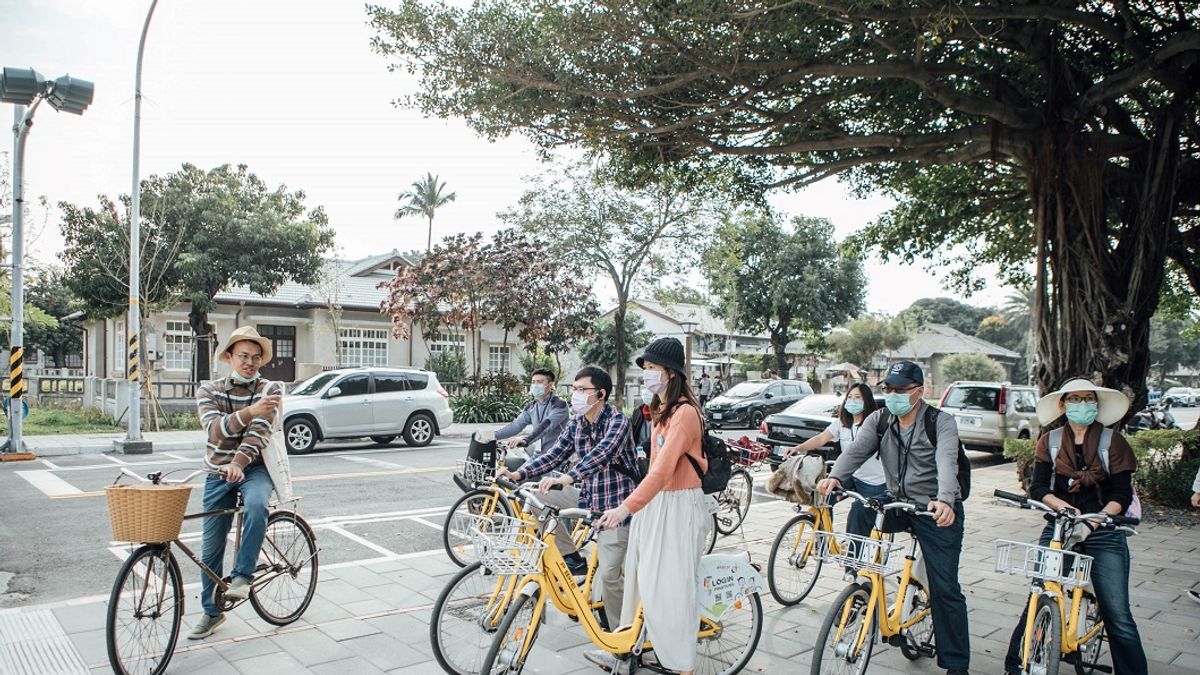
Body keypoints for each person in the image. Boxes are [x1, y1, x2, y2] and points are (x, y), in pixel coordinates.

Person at [817, 360, 971, 675]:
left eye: (902, 390)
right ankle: (859, 585)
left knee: (945, 588)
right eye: (889, 389)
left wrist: (944, 501)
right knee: (861, 513)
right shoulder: (880, 419)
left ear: (920, 390)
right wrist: (835, 477)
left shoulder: (940, 421)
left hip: (935, 508)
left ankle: (957, 664)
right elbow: (857, 451)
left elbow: (946, 463)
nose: (894, 395)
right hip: (897, 500)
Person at [1003, 378, 1147, 675]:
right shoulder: (1050, 440)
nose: (1082, 405)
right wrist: (1064, 508)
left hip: (1105, 527)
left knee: (1117, 614)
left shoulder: (1112, 441)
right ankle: (1015, 664)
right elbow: (1039, 487)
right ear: (1063, 405)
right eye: (1075, 399)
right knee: (1039, 594)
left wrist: (1096, 518)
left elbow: (1121, 492)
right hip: (1062, 525)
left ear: (1096, 404)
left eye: (1088, 399)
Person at [499, 366, 639, 663]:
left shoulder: (617, 421)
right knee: (536, 496)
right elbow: (555, 453)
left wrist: (568, 478)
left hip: (616, 507)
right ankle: (572, 556)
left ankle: (620, 647)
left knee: (611, 575)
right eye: (573, 389)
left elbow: (600, 456)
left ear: (600, 394)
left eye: (581, 390)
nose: (575, 394)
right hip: (588, 496)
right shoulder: (577, 423)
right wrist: (520, 473)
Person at [598, 337, 708, 675]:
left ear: (671, 374)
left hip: (678, 509)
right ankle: (629, 649)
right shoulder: (662, 412)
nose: (646, 375)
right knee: (640, 580)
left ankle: (681, 665)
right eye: (645, 369)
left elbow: (661, 472)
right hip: (657, 506)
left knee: (669, 589)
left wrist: (625, 507)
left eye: (652, 369)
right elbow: (653, 468)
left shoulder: (686, 413)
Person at [189, 326, 283, 639]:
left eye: (256, 358)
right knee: (210, 547)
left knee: (256, 505)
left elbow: (258, 433)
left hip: (254, 468)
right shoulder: (208, 390)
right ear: (229, 357)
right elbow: (214, 431)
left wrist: (239, 463)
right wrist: (250, 410)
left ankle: (243, 576)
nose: (250, 362)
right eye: (243, 356)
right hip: (217, 471)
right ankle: (211, 613)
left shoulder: (270, 388)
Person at [785, 383, 885, 542]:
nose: (852, 401)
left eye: (858, 397)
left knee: (858, 514)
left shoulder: (874, 423)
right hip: (850, 475)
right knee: (823, 496)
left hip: (873, 481)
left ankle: (852, 561)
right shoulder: (842, 423)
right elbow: (821, 438)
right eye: (850, 397)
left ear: (867, 401)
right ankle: (823, 541)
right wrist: (798, 447)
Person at [494, 368, 569, 460]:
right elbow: (516, 426)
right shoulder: (532, 406)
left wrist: (525, 440)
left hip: (556, 456)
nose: (535, 385)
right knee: (505, 467)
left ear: (550, 385)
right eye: (533, 382)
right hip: (538, 455)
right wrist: (491, 435)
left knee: (519, 474)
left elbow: (546, 426)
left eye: (539, 382)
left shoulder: (559, 405)